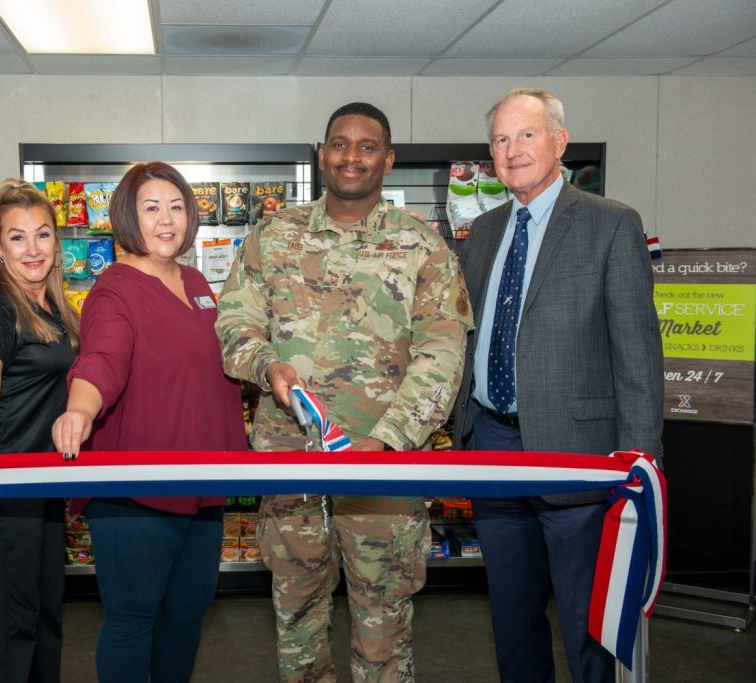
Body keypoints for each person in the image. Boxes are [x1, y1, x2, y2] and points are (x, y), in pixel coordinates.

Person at [215, 102, 473, 682]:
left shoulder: (422, 247)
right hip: (290, 461)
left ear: (387, 159)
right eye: (339, 143)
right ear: (321, 153)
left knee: (383, 620)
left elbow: (443, 354)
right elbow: (235, 324)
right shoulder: (271, 237)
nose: (351, 156)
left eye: (366, 146)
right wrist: (266, 367)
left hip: (383, 467)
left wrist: (389, 443)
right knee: (298, 615)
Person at [451, 87, 663, 683]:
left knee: (587, 620)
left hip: (580, 458)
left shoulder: (611, 225)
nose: (512, 150)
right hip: (492, 448)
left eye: (526, 134)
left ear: (559, 143)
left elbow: (638, 358)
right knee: (512, 616)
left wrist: (641, 466)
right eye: (500, 139)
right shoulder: (486, 232)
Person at [51, 161, 247, 683]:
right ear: (126, 217)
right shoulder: (114, 291)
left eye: (177, 206)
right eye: (152, 207)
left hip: (203, 486)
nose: (167, 220)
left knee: (186, 616)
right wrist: (80, 408)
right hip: (135, 492)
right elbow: (102, 359)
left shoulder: (196, 280)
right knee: (132, 621)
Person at [0, 179, 80, 683]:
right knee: (17, 620)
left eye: (43, 235)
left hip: (45, 480)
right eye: (17, 237)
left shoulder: (55, 306)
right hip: (7, 480)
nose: (33, 249)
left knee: (49, 613)